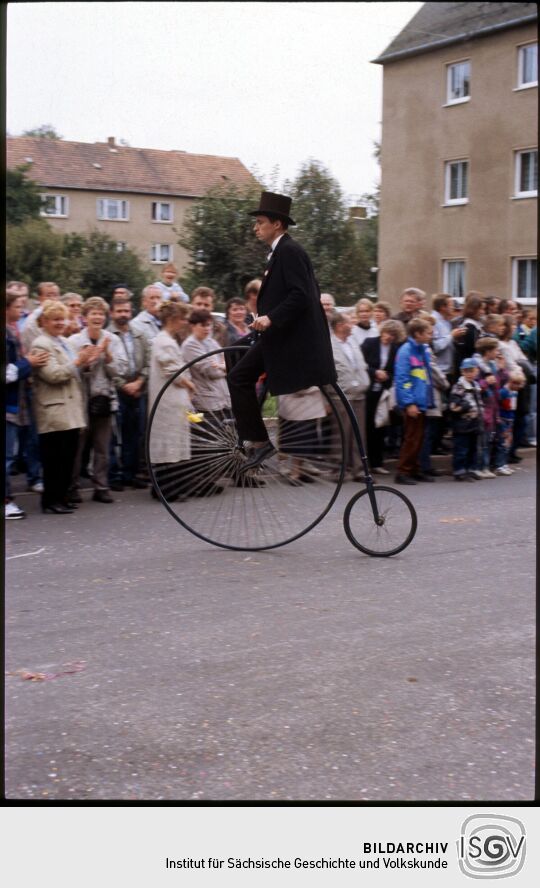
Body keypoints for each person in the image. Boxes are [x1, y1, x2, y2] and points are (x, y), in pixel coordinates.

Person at [227, 191, 336, 471]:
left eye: (260, 221)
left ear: (277, 224)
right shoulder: (279, 253)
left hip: (287, 340)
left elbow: (302, 295)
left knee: (239, 377)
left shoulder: (289, 251)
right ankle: (251, 437)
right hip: (278, 336)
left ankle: (260, 443)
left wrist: (271, 319)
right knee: (234, 360)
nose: (255, 227)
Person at [29, 300, 89, 514]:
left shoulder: (63, 341)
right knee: (54, 458)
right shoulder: (42, 344)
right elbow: (53, 375)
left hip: (70, 407)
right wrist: (78, 363)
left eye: (63, 319)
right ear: (44, 321)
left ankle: (62, 497)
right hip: (54, 408)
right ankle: (51, 500)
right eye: (55, 319)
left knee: (68, 457)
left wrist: (84, 362)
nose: (61, 323)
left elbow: (72, 370)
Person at [68, 297, 121, 504]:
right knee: (78, 447)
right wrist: (86, 362)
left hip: (103, 399)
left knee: (102, 447)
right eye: (93, 313)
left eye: (101, 313)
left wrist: (106, 355)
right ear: (84, 318)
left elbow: (119, 371)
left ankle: (101, 486)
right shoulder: (74, 341)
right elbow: (72, 370)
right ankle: (72, 487)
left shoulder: (111, 340)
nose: (98, 317)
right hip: (80, 401)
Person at [148, 302, 198, 501]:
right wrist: (189, 384)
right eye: (183, 319)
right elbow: (172, 371)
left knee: (171, 442)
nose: (185, 323)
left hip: (172, 399)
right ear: (172, 319)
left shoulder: (166, 340)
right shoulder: (164, 342)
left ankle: (167, 486)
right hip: (168, 399)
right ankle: (167, 488)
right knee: (168, 443)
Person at [5, 291, 49, 519]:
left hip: (14, 405)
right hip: (8, 406)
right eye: (17, 307)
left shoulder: (11, 332)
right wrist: (27, 363)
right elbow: (7, 373)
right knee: (6, 457)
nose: (20, 311)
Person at [107, 295, 151, 491]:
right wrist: (123, 385)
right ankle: (115, 475)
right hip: (117, 390)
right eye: (119, 311)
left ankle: (130, 474)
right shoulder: (107, 335)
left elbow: (148, 361)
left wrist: (140, 381)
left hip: (138, 389)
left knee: (136, 434)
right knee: (115, 436)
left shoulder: (139, 334)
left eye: (126, 311)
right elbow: (107, 366)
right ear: (112, 313)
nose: (123, 315)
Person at [328, 311, 370, 480]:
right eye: (349, 322)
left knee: (359, 435)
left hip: (359, 395)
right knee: (341, 435)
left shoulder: (352, 341)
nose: (352, 325)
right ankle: (338, 470)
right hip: (340, 397)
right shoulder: (329, 344)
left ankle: (359, 470)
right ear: (340, 326)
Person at [393, 317, 434, 485]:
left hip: (421, 400)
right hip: (413, 402)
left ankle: (414, 469)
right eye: (428, 333)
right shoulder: (406, 351)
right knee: (411, 438)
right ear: (418, 334)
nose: (431, 335)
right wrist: (409, 403)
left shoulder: (421, 349)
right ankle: (402, 471)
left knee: (419, 438)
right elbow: (402, 379)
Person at [361, 318, 405, 475]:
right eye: (387, 333)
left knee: (380, 427)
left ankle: (377, 463)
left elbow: (396, 370)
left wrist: (387, 376)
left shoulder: (395, 349)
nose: (389, 337)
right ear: (382, 331)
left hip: (382, 393)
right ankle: (364, 462)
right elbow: (361, 364)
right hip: (367, 391)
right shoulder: (370, 343)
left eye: (393, 335)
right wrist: (374, 372)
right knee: (366, 428)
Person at [449, 358, 484, 481]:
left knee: (473, 449)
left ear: (477, 371)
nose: (469, 373)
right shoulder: (459, 387)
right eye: (466, 371)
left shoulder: (475, 385)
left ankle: (471, 469)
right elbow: (453, 407)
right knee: (462, 449)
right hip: (462, 424)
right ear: (462, 372)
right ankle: (459, 471)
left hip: (475, 423)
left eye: (472, 370)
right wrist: (464, 406)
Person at [494, 371, 525, 476]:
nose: (519, 387)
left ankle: (504, 463)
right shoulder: (503, 392)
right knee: (502, 443)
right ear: (512, 382)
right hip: (503, 419)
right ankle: (499, 465)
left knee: (508, 443)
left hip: (510, 419)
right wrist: (498, 418)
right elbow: (497, 405)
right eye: (517, 384)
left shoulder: (514, 392)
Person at [20, 282, 62, 352]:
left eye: (55, 295)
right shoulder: (34, 320)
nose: (53, 299)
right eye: (48, 295)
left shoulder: (58, 315)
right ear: (39, 298)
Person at [452, 292, 486, 376]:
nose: (483, 312)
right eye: (481, 309)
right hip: (468, 370)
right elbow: (472, 350)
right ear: (473, 310)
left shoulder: (476, 325)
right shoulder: (470, 327)